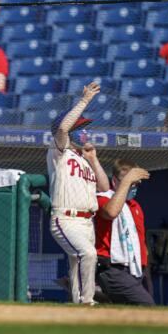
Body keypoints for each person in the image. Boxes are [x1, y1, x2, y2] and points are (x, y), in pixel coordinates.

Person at [48, 82, 110, 304]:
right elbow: (63, 129)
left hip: (87, 222)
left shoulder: (85, 159)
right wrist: (84, 101)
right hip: (66, 218)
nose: (85, 132)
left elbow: (104, 187)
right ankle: (88, 302)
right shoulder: (59, 152)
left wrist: (94, 159)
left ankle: (77, 305)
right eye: (80, 128)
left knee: (77, 265)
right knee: (88, 254)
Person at [95, 158, 154, 305]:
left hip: (138, 269)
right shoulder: (103, 199)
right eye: (128, 181)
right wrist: (127, 181)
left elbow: (141, 243)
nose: (132, 186)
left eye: (135, 183)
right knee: (147, 306)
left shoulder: (135, 206)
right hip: (114, 269)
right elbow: (111, 212)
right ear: (114, 182)